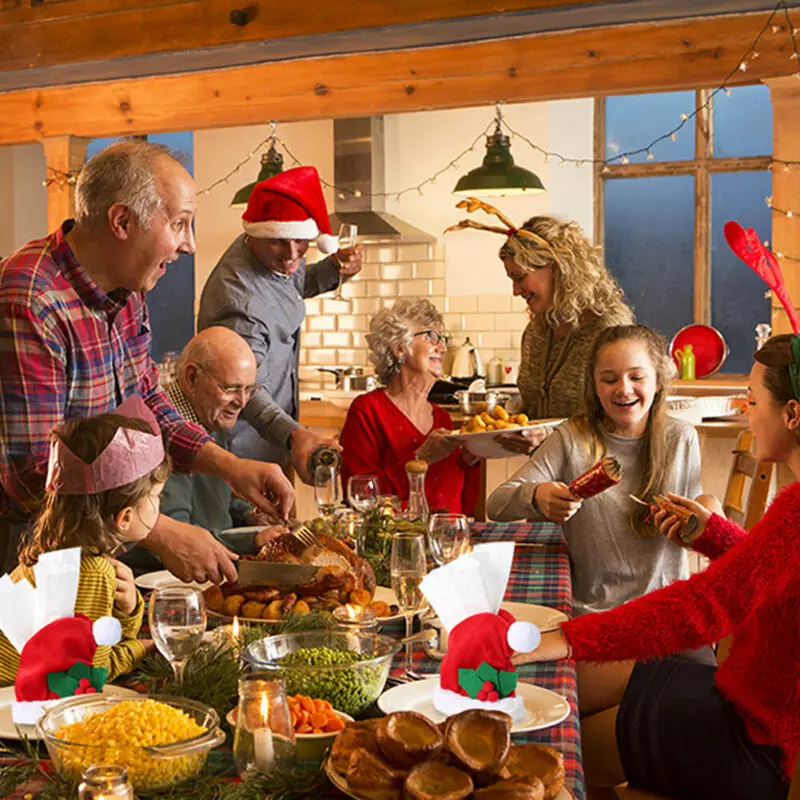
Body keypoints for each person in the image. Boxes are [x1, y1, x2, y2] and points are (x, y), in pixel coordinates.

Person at [513, 335, 800, 799]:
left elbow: (701, 605)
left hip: (752, 745)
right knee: (563, 700)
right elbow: (767, 572)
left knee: (551, 745)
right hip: (738, 704)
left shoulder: (794, 513)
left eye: (753, 401)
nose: (748, 412)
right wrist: (713, 532)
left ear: (792, 414)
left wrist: (564, 638)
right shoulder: (793, 512)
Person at [0, 140, 294, 584]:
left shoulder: (130, 291)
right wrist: (160, 532)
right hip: (34, 552)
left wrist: (228, 467)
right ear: (121, 221)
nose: (190, 245)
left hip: (104, 539)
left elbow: (147, 404)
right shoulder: (31, 299)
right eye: (179, 224)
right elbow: (35, 472)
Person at [489, 324, 719, 617]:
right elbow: (496, 504)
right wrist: (536, 495)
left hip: (668, 611)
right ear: (594, 386)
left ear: (658, 381)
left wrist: (703, 517)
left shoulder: (681, 438)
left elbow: (694, 530)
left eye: (637, 377)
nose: (623, 388)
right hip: (594, 613)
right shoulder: (571, 437)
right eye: (609, 379)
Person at [198, 166, 363, 482]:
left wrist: (335, 269)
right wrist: (295, 435)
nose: (291, 255)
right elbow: (243, 392)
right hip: (242, 455)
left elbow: (291, 282)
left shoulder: (267, 246)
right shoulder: (240, 302)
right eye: (278, 243)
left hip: (273, 444)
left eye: (301, 241)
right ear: (256, 234)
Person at [0, 397, 166, 685]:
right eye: (157, 496)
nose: (159, 504)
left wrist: (128, 611)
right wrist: (144, 647)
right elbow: (90, 675)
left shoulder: (62, 557)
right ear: (125, 517)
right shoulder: (92, 573)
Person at [446, 201, 633, 453]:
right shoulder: (536, 332)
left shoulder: (609, 330)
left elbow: (621, 420)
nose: (515, 291)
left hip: (599, 471)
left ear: (558, 268)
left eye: (520, 277)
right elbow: (533, 412)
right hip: (549, 473)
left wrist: (549, 436)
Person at [131, 327, 285, 573]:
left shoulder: (210, 417)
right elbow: (177, 543)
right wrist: (252, 541)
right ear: (192, 378)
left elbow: (211, 509)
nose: (242, 402)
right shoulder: (164, 439)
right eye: (231, 388)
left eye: (249, 390)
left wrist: (248, 516)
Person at [339, 298, 480, 516]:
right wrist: (420, 459)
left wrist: (470, 461)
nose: (441, 347)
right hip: (396, 544)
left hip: (445, 541)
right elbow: (361, 500)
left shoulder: (442, 417)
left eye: (441, 338)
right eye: (430, 336)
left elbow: (461, 502)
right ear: (399, 348)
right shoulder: (367, 411)